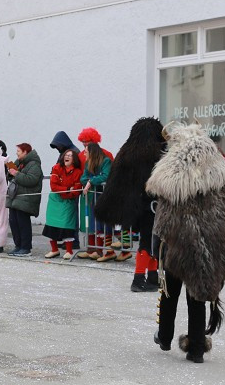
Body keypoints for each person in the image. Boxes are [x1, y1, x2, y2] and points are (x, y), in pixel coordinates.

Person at [146, 123, 225, 363]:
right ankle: (196, 349)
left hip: (177, 242)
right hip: (209, 244)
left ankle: (165, 337)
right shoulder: (222, 175)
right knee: (197, 295)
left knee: (169, 291)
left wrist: (158, 241)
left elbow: (163, 218)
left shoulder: (170, 175)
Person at [95, 117, 167, 291]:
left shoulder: (126, 152)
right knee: (149, 240)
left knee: (148, 239)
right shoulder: (154, 154)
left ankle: (152, 276)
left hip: (132, 206)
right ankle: (139, 278)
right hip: (150, 204)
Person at [78, 128, 114, 261]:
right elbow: (83, 177)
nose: (84, 150)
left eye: (86, 145)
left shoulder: (105, 159)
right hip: (93, 197)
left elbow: (106, 176)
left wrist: (91, 181)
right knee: (94, 224)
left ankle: (108, 251)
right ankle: (93, 249)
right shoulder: (88, 162)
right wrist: (89, 181)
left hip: (103, 196)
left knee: (104, 224)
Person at [44, 148, 83, 259]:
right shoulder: (56, 168)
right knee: (52, 225)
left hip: (68, 202)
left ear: (74, 159)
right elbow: (54, 186)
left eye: (70, 155)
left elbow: (76, 190)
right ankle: (54, 250)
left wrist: (67, 193)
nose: (67, 157)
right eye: (66, 155)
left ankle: (69, 251)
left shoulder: (78, 172)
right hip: (55, 201)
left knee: (67, 226)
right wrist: (67, 189)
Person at [6, 143, 43, 256]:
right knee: (13, 222)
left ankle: (26, 247)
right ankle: (18, 246)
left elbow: (31, 180)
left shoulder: (34, 165)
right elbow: (12, 177)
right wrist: (10, 172)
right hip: (16, 197)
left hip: (26, 198)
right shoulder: (19, 163)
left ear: (25, 152)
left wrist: (16, 174)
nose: (16, 153)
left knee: (23, 223)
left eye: (18, 151)